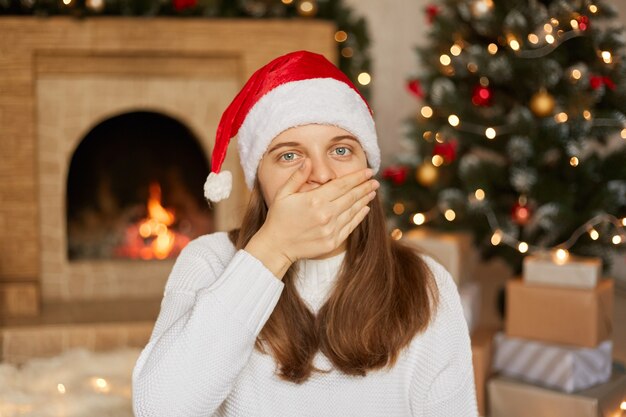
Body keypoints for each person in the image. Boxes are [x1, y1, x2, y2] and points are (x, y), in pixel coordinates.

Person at [132, 50, 477, 417]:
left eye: (341, 149)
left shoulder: (426, 283)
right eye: (289, 156)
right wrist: (273, 250)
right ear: (258, 181)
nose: (320, 175)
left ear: (368, 170)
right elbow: (159, 409)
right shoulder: (210, 261)